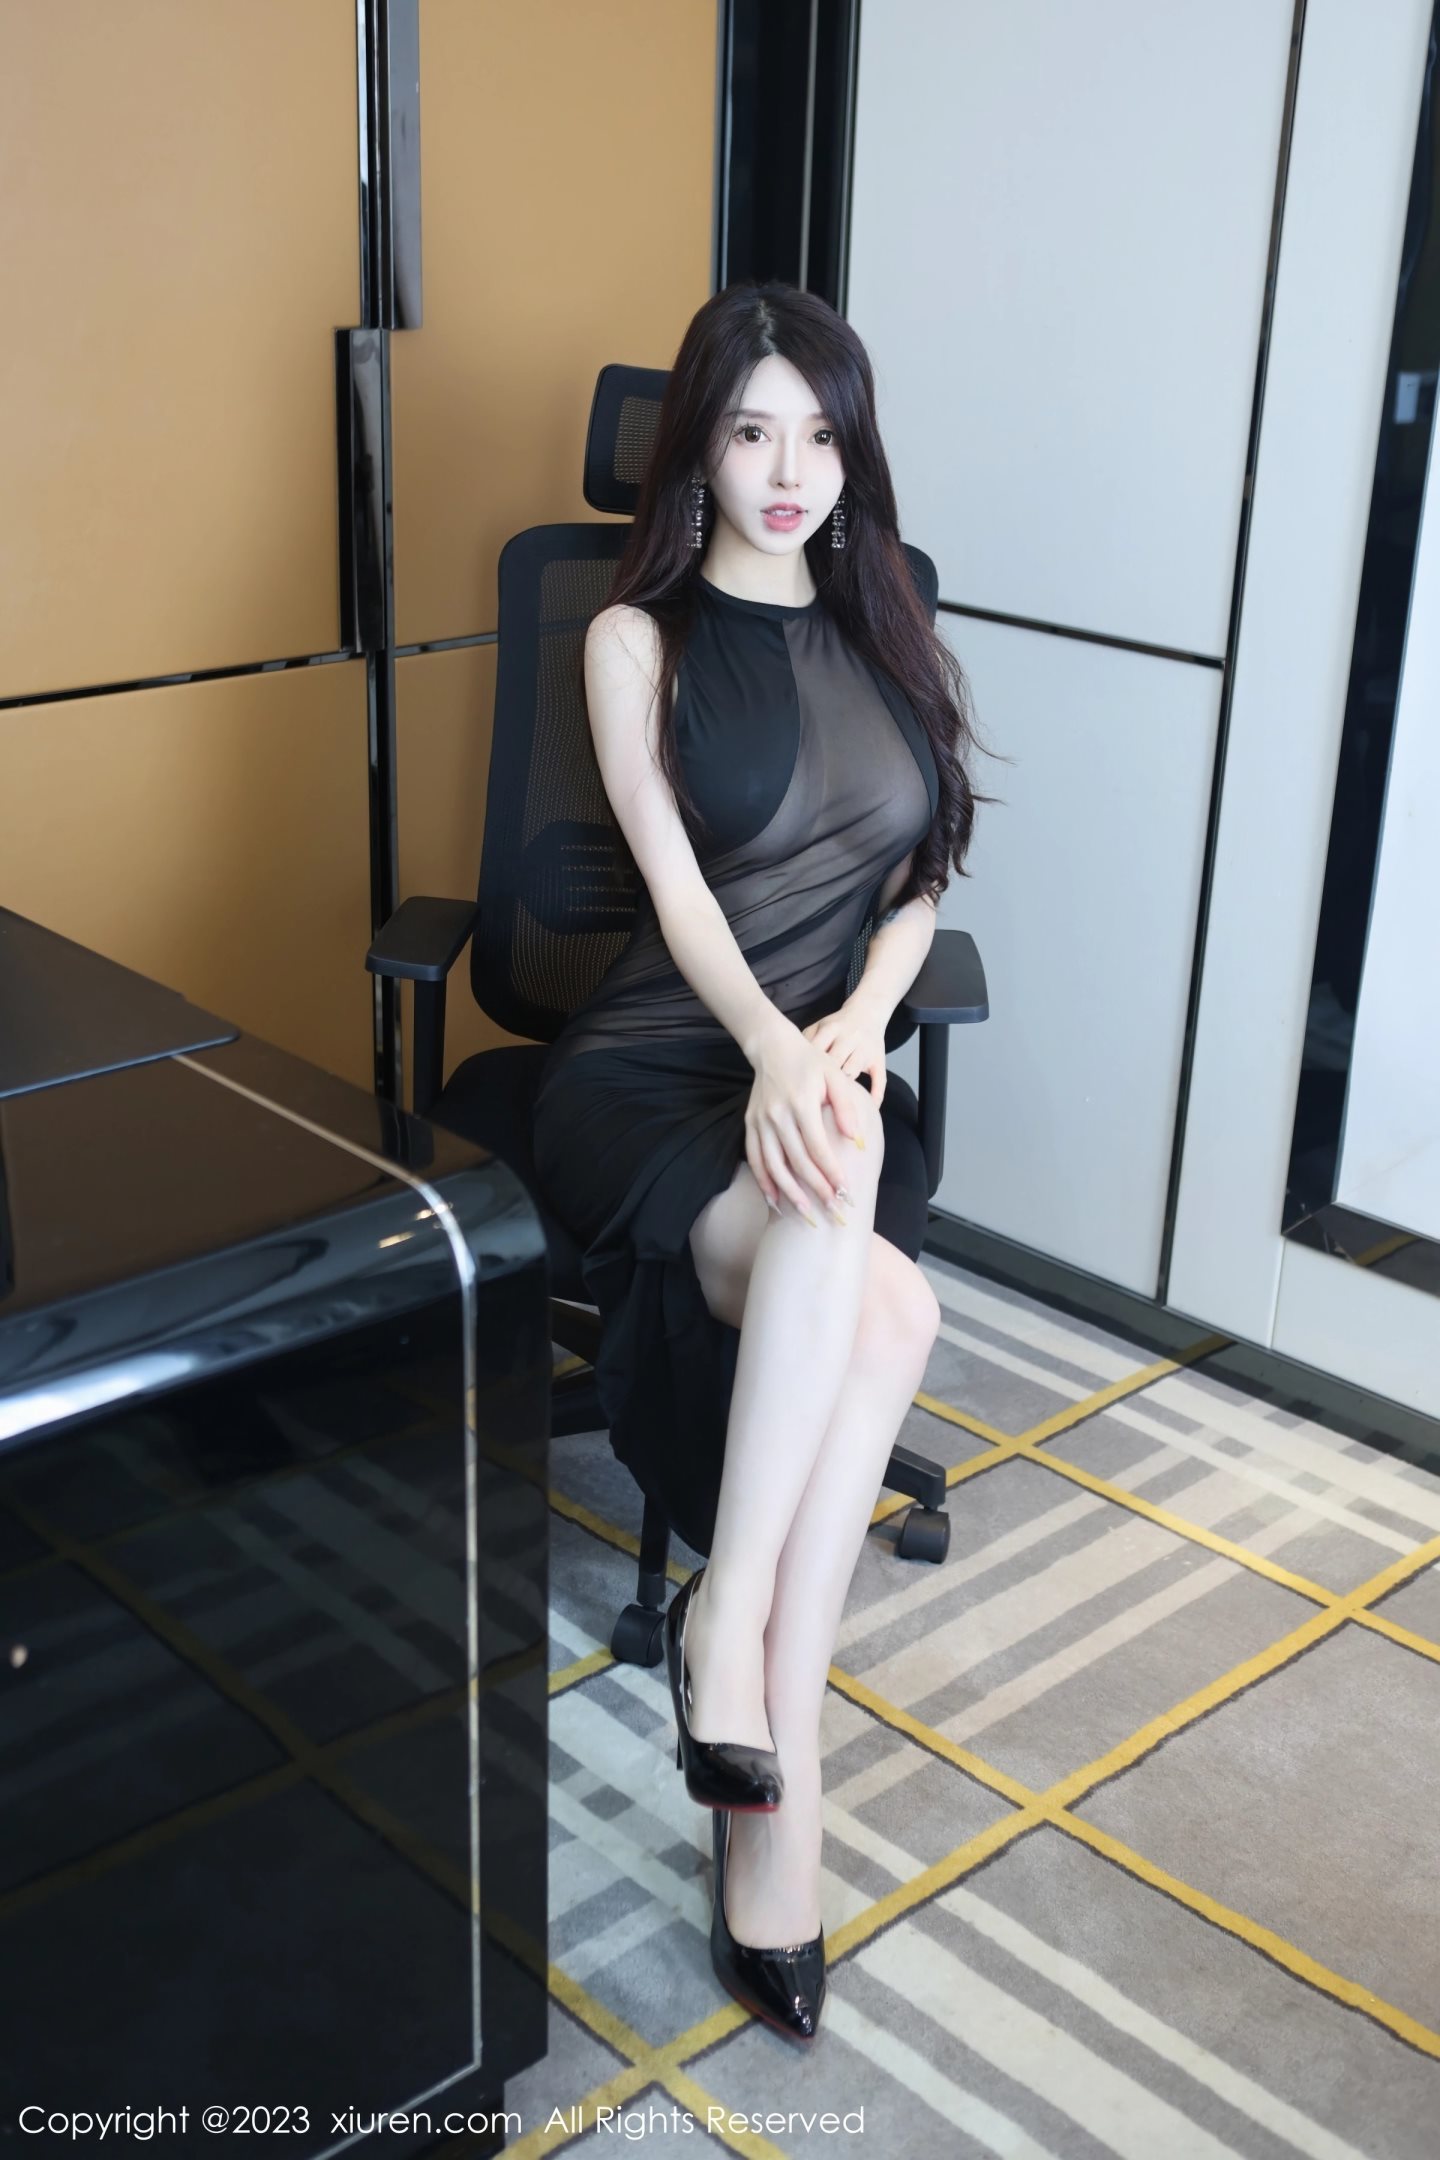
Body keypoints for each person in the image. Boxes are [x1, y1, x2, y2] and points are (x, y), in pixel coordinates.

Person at [531, 280, 996, 2042]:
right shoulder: (630, 639)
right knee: (854, 1222)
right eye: (749, 432)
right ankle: (760, 1760)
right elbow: (671, 894)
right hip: (657, 1070)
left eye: (818, 435)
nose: (788, 472)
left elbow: (921, 878)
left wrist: (856, 1022)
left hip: (822, 1068)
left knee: (886, 1298)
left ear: (853, 454)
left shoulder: (893, 630)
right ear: (698, 451)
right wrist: (778, 1052)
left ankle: (746, 1680)